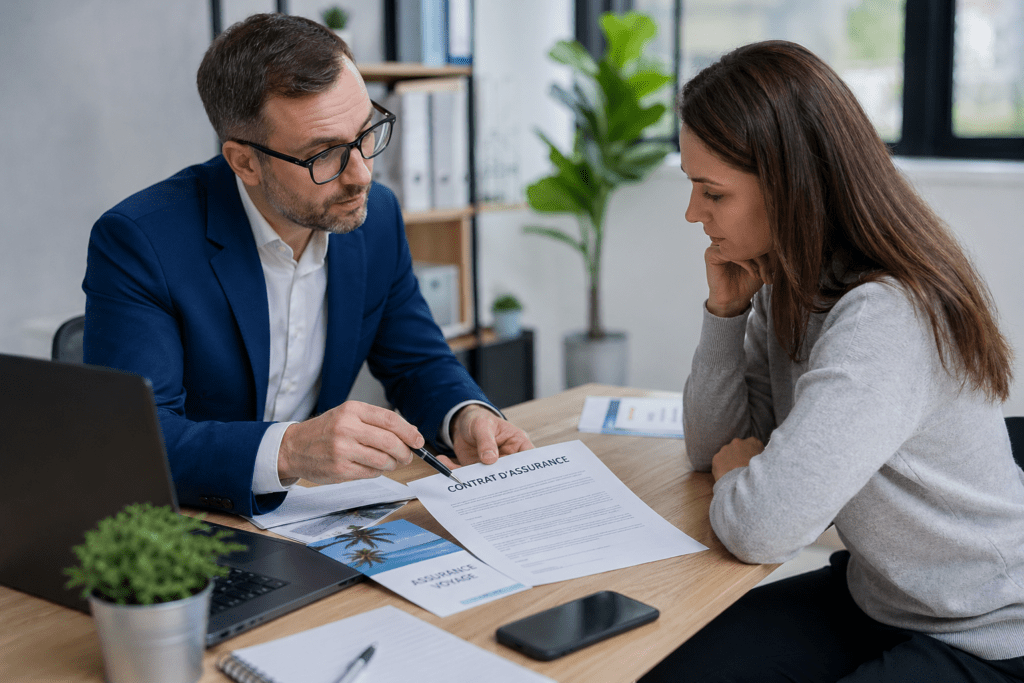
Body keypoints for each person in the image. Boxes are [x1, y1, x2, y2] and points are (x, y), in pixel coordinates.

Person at [641, 41, 1024, 682]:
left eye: (712, 192)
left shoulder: (889, 314)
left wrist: (746, 473)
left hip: (983, 633)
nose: (692, 214)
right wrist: (725, 315)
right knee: (665, 670)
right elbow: (715, 447)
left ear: (793, 186)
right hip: (875, 597)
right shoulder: (793, 282)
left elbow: (761, 529)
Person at [82, 13, 533, 518]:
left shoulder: (375, 215)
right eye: (325, 155)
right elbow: (139, 442)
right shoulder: (141, 241)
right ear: (244, 161)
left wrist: (464, 416)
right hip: (191, 525)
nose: (362, 175)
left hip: (313, 517)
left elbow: (417, 361)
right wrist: (292, 450)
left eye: (366, 133)